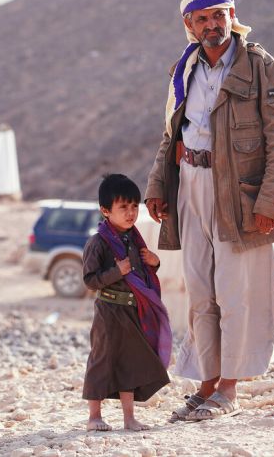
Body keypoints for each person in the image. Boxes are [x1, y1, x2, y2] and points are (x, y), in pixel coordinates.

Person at [144, 0, 274, 422]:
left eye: (219, 14)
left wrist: (270, 199)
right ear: (189, 25)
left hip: (239, 194)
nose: (213, 25)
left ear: (233, 14)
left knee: (236, 291)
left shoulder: (260, 66)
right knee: (199, 291)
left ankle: (229, 389)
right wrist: (157, 185)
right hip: (189, 183)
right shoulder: (183, 69)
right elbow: (172, 134)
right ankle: (206, 384)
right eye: (203, 18)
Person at [82, 174, 172, 431]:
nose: (131, 213)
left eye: (134, 206)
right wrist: (116, 272)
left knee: (130, 363)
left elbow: (142, 276)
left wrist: (155, 263)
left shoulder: (134, 240)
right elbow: (90, 280)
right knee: (102, 360)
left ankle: (129, 418)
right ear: (105, 210)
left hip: (132, 310)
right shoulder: (97, 242)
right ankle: (94, 417)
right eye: (123, 207)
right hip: (108, 311)